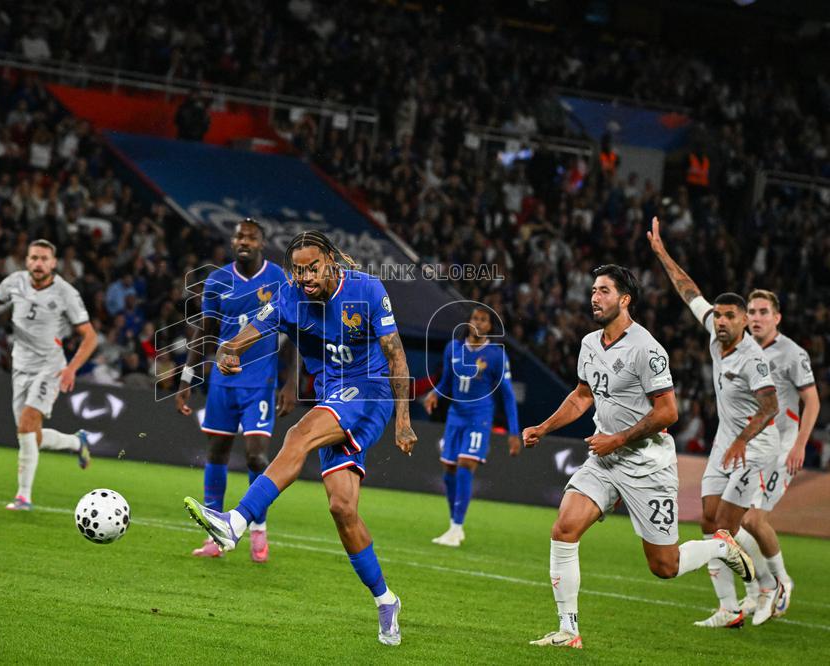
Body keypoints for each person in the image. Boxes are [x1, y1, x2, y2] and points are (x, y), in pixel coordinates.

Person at [183, 230, 417, 646]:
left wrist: (403, 418)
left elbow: (396, 353)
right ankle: (386, 600)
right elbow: (252, 330)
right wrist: (228, 350)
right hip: (333, 396)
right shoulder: (291, 296)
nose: (305, 276)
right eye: (298, 269)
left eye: (313, 267)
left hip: (369, 391)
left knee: (298, 433)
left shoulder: (366, 290)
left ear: (330, 261)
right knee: (342, 507)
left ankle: (234, 523)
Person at [523, 264, 755, 649]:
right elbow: (583, 395)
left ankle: (720, 546)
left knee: (664, 567)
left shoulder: (647, 348)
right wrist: (544, 427)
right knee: (564, 529)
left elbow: (668, 412)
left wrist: (619, 438)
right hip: (604, 459)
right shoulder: (590, 343)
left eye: (604, 291)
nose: (594, 298)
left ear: (624, 299)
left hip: (647, 464)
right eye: (594, 290)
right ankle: (568, 630)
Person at [648, 217, 778, 629]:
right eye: (718, 315)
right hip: (728, 440)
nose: (720, 321)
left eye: (729, 317)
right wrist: (662, 254)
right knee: (708, 522)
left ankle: (768, 586)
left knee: (725, 525)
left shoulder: (753, 357)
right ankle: (729, 607)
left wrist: (740, 441)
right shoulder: (713, 331)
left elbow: (771, 406)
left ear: (744, 321)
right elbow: (689, 291)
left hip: (754, 444)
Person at [174, 219, 296, 562]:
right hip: (223, 383)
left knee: (257, 456)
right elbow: (205, 332)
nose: (244, 241)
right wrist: (186, 378)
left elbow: (299, 330)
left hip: (261, 382)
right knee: (216, 454)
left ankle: (258, 529)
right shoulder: (216, 281)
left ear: (261, 243)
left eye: (251, 237)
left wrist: (292, 382)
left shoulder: (278, 280)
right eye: (239, 236)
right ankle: (214, 533)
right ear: (233, 241)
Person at [0, 239, 98, 510]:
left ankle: (23, 496)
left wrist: (71, 368)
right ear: (27, 261)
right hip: (20, 367)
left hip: (50, 367)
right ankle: (76, 441)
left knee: (26, 424)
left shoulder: (66, 293)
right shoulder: (15, 282)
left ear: (54, 263)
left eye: (44, 258)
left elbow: (90, 337)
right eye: (34, 258)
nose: (38, 263)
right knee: (30, 436)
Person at [736, 289, 819, 622]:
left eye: (762, 312)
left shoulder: (792, 354)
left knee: (753, 520)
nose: (755, 317)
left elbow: (812, 401)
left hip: (782, 448)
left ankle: (782, 582)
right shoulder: (743, 349)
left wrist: (800, 445)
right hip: (754, 447)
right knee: (737, 531)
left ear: (777, 317)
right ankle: (759, 591)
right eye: (752, 312)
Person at [424, 306, 521, 546]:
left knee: (466, 464)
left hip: (480, 416)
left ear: (490, 326)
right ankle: (453, 526)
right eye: (474, 318)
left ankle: (457, 528)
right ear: (467, 322)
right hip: (455, 415)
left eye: (483, 319)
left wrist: (513, 432)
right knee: (449, 470)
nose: (478, 322)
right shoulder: (453, 349)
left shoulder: (497, 355)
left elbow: (507, 395)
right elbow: (447, 381)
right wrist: (435, 393)